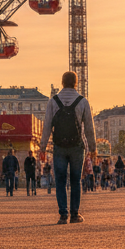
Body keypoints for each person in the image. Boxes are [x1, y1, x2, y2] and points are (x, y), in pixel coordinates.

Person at [39, 71, 96, 224]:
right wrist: (93, 147)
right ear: (75, 83)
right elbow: (89, 127)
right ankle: (75, 214)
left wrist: (42, 147)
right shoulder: (83, 102)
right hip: (77, 146)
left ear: (62, 83)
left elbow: (47, 126)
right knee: (76, 180)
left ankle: (63, 215)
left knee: (60, 180)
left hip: (59, 146)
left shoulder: (53, 101)